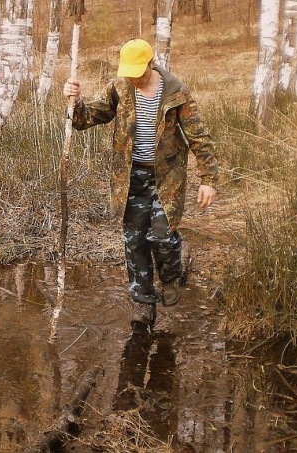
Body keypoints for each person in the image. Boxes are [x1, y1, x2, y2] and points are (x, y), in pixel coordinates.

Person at [62, 38, 218, 326]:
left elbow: (199, 136)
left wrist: (208, 179)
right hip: (130, 178)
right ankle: (144, 301)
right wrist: (74, 100)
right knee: (134, 241)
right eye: (129, 73)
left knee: (161, 235)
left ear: (152, 63)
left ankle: (171, 278)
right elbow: (87, 118)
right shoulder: (120, 88)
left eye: (139, 73)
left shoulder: (175, 92)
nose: (134, 79)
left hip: (166, 178)